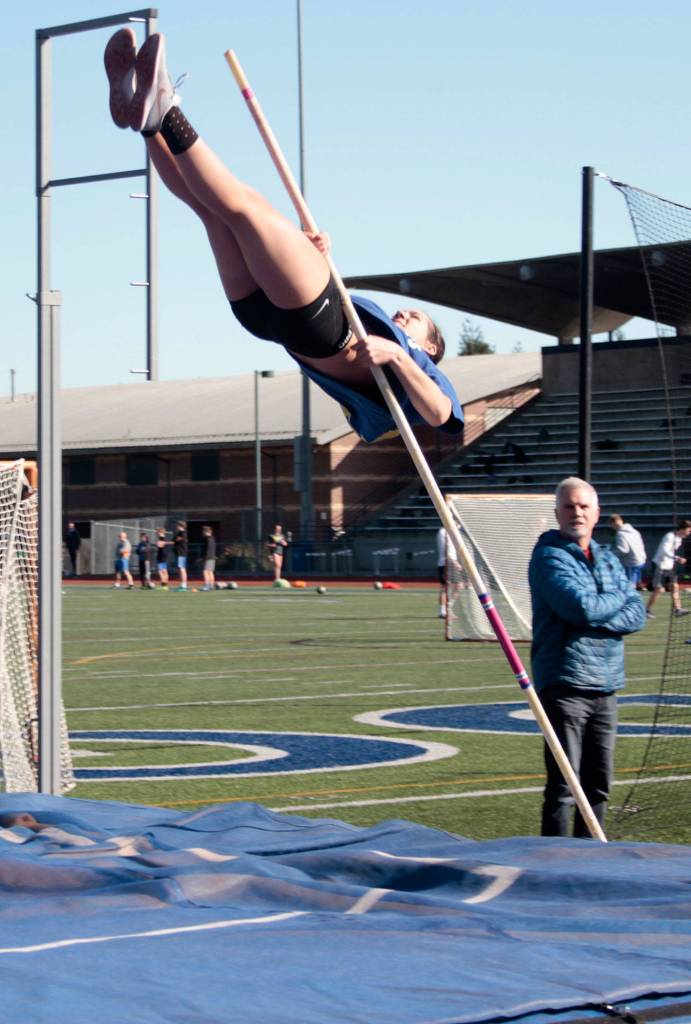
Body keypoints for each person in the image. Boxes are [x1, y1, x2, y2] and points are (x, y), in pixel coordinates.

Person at [103, 30, 464, 445]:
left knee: (243, 206)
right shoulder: (389, 340)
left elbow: (440, 416)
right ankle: (148, 124)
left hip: (319, 331)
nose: (403, 317)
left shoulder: (424, 371)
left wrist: (399, 354)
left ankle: (165, 109)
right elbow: (326, 291)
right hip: (276, 319)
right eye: (406, 314)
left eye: (415, 320)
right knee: (212, 215)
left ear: (432, 348)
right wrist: (317, 259)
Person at [528, 477, 646, 838]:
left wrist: (603, 607)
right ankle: (553, 863)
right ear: (557, 513)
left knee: (598, 785)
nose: (576, 512)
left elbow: (637, 612)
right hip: (565, 683)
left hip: (607, 683)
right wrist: (614, 602)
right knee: (565, 787)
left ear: (596, 513)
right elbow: (578, 607)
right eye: (568, 506)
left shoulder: (608, 558)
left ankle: (592, 858)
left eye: (583, 506)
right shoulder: (549, 557)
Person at [645, 519, 691, 619]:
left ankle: (678, 609)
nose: (689, 533)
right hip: (661, 565)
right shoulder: (670, 536)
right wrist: (677, 558)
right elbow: (664, 551)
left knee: (675, 586)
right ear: (683, 529)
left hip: (670, 566)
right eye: (688, 530)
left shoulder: (679, 538)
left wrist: (674, 559)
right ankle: (646, 610)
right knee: (659, 590)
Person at [609, 513, 647, 588]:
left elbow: (624, 550)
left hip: (632, 562)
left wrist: (611, 553)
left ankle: (631, 599)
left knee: (630, 586)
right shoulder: (635, 531)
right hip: (641, 560)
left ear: (613, 523)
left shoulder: (620, 534)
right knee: (634, 584)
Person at [436, 526, 460, 619]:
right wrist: (454, 562)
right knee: (445, 587)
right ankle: (443, 612)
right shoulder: (443, 532)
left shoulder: (452, 531)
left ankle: (448, 609)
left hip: (451, 563)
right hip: (445, 563)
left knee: (458, 586)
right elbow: (446, 549)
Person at [173, 520, 188, 591]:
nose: (176, 527)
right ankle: (182, 584)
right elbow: (174, 540)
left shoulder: (183, 533)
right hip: (179, 554)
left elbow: (177, 540)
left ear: (180, 526)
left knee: (182, 569)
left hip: (182, 553)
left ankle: (184, 585)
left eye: (178, 525)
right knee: (180, 569)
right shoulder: (179, 533)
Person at [201, 525, 216, 591]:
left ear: (206, 531)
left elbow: (208, 549)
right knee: (210, 572)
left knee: (205, 571)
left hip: (208, 557)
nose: (203, 533)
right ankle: (211, 585)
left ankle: (207, 586)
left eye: (204, 531)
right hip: (212, 557)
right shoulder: (212, 538)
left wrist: (204, 557)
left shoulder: (207, 539)